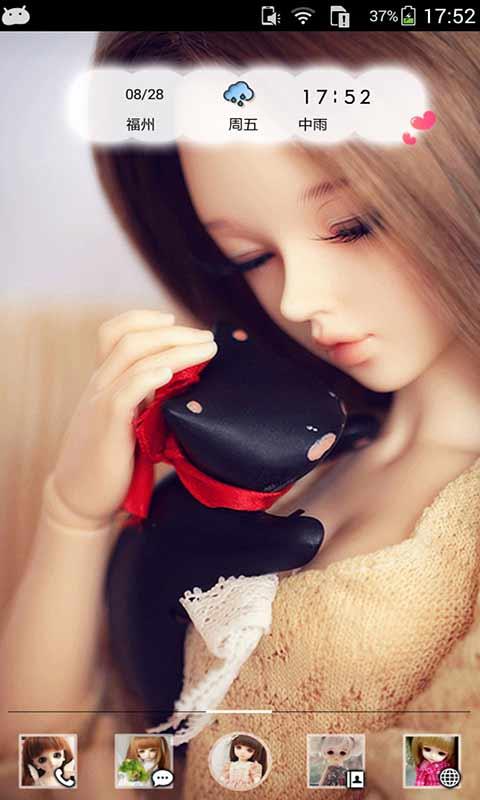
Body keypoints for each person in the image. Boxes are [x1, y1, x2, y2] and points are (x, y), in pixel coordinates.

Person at [0, 30, 479, 800]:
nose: (296, 299)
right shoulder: (274, 453)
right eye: (250, 258)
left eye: (352, 226)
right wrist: (73, 515)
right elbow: (33, 755)